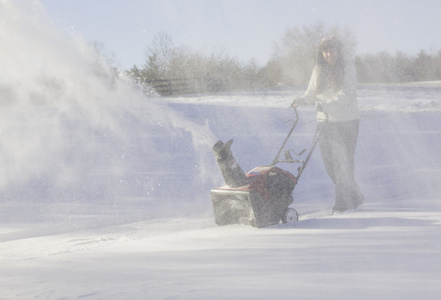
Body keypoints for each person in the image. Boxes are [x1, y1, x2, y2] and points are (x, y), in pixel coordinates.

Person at [292, 36, 365, 213]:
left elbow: (346, 94)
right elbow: (311, 93)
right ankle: (354, 195)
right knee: (330, 165)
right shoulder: (318, 70)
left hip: (346, 122)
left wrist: (326, 105)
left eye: (332, 50)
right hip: (324, 122)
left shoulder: (348, 68)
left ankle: (342, 204)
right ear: (321, 53)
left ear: (339, 52)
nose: (329, 54)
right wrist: (301, 100)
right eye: (325, 51)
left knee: (343, 164)